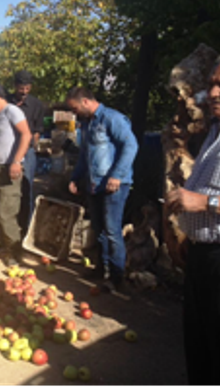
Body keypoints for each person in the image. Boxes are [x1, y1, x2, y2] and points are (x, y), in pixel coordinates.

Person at [166, 53, 220, 387]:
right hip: (202, 258)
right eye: (211, 84)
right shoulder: (217, 132)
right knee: (198, 348)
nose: (214, 93)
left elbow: (206, 199)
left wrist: (202, 201)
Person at [67, 87, 138, 291]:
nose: (74, 113)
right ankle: (101, 268)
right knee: (98, 229)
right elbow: (84, 154)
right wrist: (75, 177)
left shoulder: (112, 119)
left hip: (114, 185)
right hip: (93, 184)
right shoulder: (86, 123)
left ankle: (118, 277)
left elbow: (131, 146)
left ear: (86, 102)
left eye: (75, 108)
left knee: (112, 230)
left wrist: (117, 175)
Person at [0, 82, 32, 266]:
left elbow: (26, 135)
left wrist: (16, 161)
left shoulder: (12, 111)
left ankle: (14, 252)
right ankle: (5, 245)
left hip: (10, 169)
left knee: (7, 212)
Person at [10, 70, 44, 222]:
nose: (24, 92)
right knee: (9, 188)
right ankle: (11, 222)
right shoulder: (7, 102)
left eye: (27, 88)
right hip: (9, 149)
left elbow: (37, 130)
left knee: (27, 187)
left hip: (27, 151)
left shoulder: (36, 105)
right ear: (15, 86)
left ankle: (26, 224)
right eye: (21, 88)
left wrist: (31, 148)